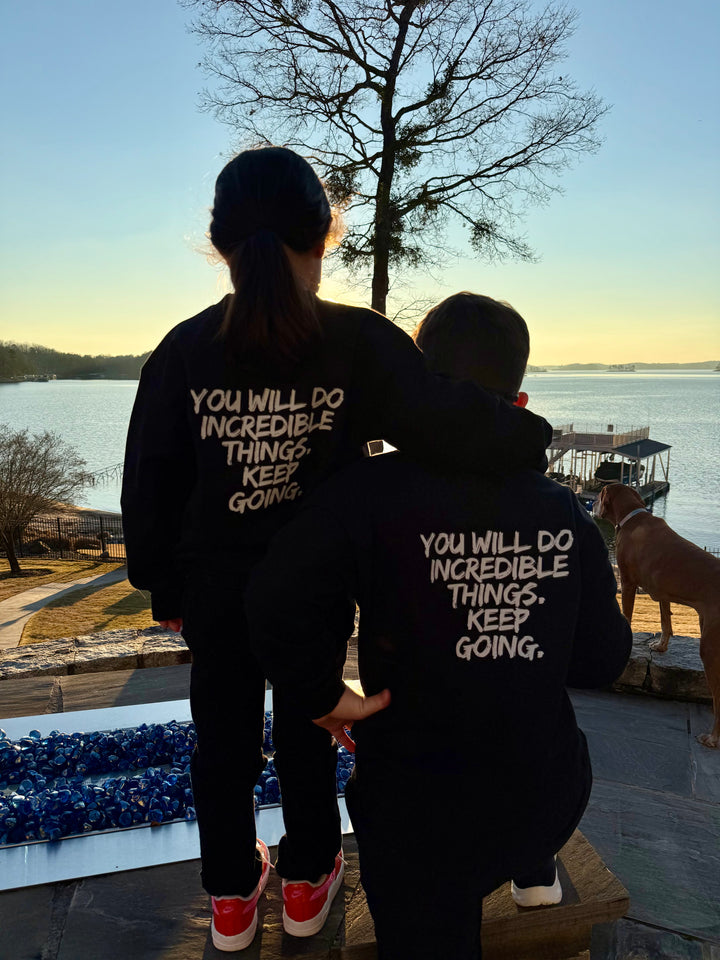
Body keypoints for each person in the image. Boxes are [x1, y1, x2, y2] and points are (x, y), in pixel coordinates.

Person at [121, 151, 552, 953]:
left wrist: (161, 583)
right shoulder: (359, 342)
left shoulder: (182, 350)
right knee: (308, 727)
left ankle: (229, 900)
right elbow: (447, 416)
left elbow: (148, 486)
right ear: (324, 239)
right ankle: (309, 880)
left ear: (221, 246)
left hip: (215, 595)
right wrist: (532, 442)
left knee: (221, 741)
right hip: (315, 592)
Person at [246, 292, 632, 960]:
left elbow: (273, 599)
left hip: (414, 807)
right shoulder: (564, 511)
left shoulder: (363, 495)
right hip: (538, 790)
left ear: (418, 390)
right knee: (532, 764)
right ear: (519, 400)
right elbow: (601, 660)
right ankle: (531, 866)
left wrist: (319, 692)